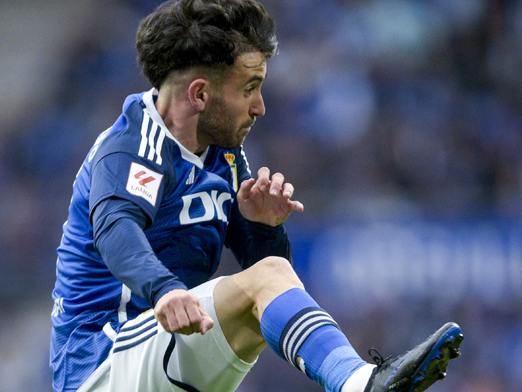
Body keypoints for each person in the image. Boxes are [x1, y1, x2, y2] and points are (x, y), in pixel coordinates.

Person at [49, 0, 463, 391]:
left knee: (269, 279)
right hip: (101, 361)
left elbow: (271, 278)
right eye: (249, 87)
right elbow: (115, 229)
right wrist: (165, 290)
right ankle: (357, 382)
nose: (260, 106)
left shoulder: (223, 155)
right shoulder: (131, 146)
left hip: (170, 342)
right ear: (199, 94)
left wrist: (264, 229)